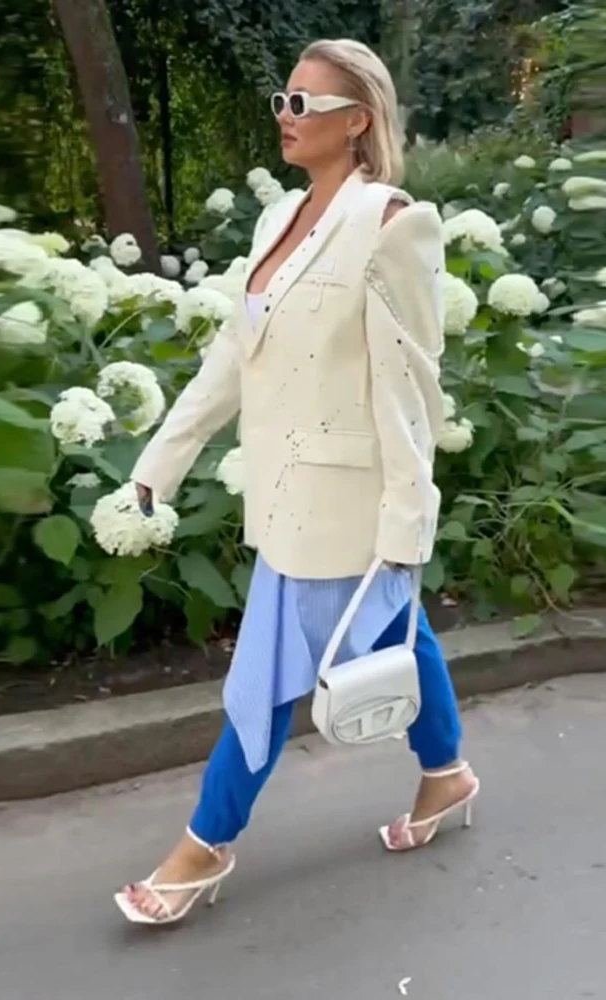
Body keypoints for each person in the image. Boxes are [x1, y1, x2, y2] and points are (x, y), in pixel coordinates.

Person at [114, 38, 479, 927]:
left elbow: (411, 389)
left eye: (306, 103)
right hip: (282, 498)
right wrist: (161, 462)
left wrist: (406, 527)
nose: (286, 114)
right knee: (396, 631)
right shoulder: (277, 218)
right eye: (284, 98)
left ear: (357, 122)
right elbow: (232, 357)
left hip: (343, 503)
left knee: (265, 679)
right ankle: (448, 774)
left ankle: (205, 844)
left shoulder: (391, 224)